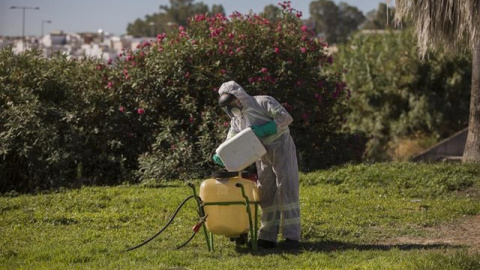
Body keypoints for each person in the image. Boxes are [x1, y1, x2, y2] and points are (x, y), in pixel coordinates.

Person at [213, 81, 301, 249]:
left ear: (239, 97)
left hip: (281, 146)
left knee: (286, 187)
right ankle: (268, 236)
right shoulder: (237, 120)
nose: (232, 108)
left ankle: (292, 236)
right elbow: (231, 140)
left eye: (232, 103)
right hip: (260, 152)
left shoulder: (263, 102)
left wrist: (267, 128)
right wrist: (220, 154)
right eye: (227, 107)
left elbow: (286, 117)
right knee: (266, 193)